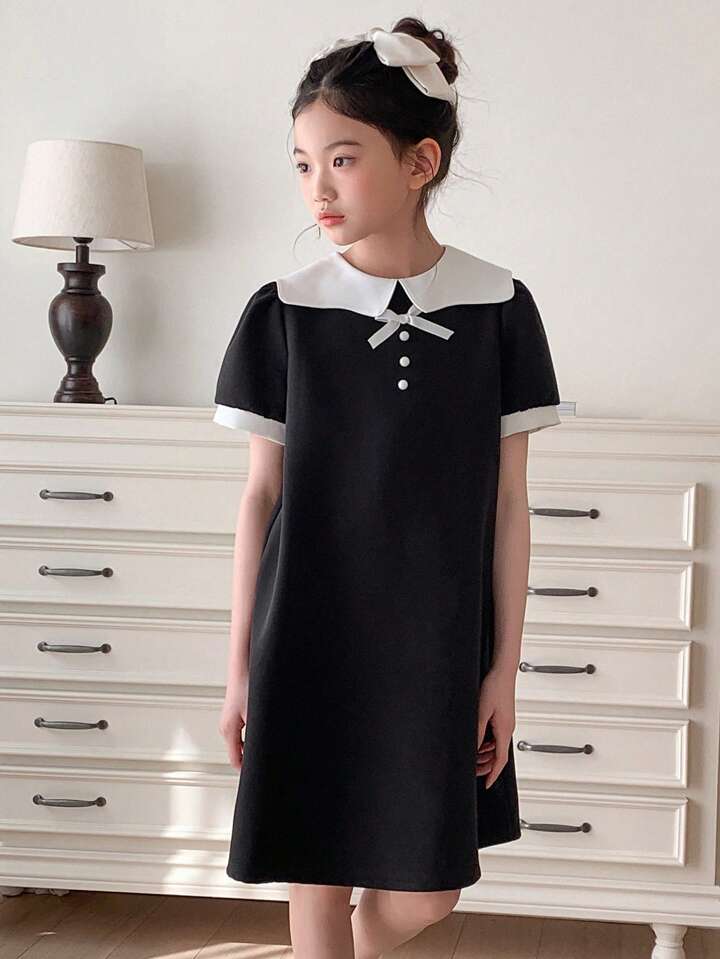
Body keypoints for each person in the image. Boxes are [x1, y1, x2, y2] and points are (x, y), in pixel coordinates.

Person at [215, 16, 561, 959]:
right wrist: (240, 668)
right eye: (302, 165)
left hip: (437, 644)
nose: (317, 189)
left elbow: (510, 503)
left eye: (342, 159)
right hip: (308, 627)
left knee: (431, 889)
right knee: (315, 866)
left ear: (420, 162)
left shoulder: (500, 309)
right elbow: (260, 499)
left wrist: (502, 670)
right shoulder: (285, 312)